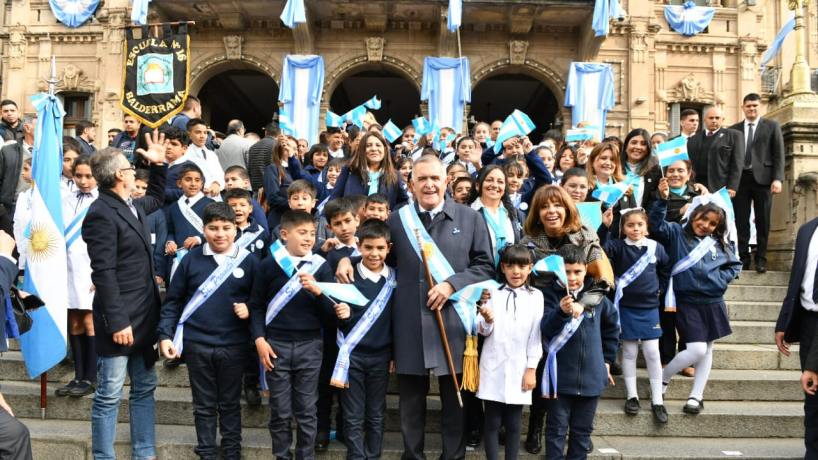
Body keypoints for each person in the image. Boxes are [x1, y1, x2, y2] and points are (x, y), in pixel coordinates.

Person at [337, 155, 494, 460]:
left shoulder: (470, 218)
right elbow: (377, 257)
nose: (429, 184)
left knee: (455, 402)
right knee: (410, 403)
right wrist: (346, 258)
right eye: (422, 179)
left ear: (446, 181)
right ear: (410, 184)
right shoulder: (396, 220)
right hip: (408, 322)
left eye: (435, 178)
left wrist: (452, 285)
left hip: (454, 322)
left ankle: (453, 456)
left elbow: (486, 266)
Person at [82, 134, 168, 460]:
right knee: (109, 393)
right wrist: (118, 321)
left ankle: (143, 453)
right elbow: (103, 272)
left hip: (145, 316)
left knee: (145, 388)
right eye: (131, 168)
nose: (135, 172)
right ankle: (104, 457)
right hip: (119, 318)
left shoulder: (132, 205)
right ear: (120, 175)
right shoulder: (101, 212)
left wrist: (158, 164)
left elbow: (158, 197)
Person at [158, 202, 260, 460]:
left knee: (229, 403)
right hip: (197, 343)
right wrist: (165, 335)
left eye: (226, 228)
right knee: (203, 405)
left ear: (236, 230)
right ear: (203, 229)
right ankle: (206, 452)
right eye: (213, 228)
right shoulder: (191, 259)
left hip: (234, 344)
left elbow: (261, 302)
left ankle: (232, 452)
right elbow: (173, 301)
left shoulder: (249, 262)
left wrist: (248, 308)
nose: (220, 234)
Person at [651, 177, 742, 415]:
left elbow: (735, 265)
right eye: (703, 219)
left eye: (712, 223)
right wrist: (662, 200)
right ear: (693, 215)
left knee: (707, 350)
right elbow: (655, 225)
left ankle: (696, 395)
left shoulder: (719, 243)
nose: (706, 225)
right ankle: (663, 377)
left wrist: (721, 280)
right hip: (687, 300)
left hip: (713, 301)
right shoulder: (675, 233)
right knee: (697, 349)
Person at [250, 210, 335, 460]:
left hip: (310, 346)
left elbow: (331, 315)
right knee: (280, 411)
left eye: (312, 233)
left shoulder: (321, 266)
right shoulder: (268, 265)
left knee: (308, 410)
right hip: (275, 346)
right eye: (302, 233)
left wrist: (319, 292)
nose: (309, 238)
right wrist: (259, 339)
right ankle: (281, 456)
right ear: (284, 234)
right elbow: (256, 305)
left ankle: (305, 456)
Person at [320, 218, 396, 460]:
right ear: (359, 247)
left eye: (380, 248)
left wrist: (394, 353)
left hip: (381, 356)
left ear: (389, 248)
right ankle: (355, 455)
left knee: (375, 412)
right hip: (351, 355)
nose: (374, 253)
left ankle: (373, 455)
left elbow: (396, 321)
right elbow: (332, 318)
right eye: (368, 247)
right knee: (351, 414)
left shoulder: (394, 279)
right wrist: (341, 316)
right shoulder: (346, 276)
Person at [541, 244, 619, 460]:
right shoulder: (549, 296)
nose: (573, 277)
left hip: (591, 378)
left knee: (582, 433)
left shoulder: (597, 297)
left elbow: (612, 329)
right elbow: (545, 329)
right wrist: (561, 312)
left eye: (578, 271)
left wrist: (607, 361)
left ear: (586, 269)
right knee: (556, 431)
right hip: (560, 378)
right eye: (567, 272)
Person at [602, 208, 671, 423]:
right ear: (623, 229)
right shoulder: (617, 246)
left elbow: (666, 269)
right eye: (630, 225)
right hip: (625, 307)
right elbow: (601, 252)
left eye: (639, 225)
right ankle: (632, 395)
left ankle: (658, 399)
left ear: (647, 228)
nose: (635, 229)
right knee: (629, 352)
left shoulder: (656, 248)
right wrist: (605, 228)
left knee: (652, 351)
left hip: (649, 307)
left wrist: (659, 288)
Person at [476, 244, 543, 460]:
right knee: (492, 421)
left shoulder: (536, 296)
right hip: (493, 364)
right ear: (503, 268)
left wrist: (531, 368)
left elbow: (535, 335)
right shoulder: (491, 292)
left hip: (520, 367)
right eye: (511, 266)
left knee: (514, 423)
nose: (516, 271)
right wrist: (486, 320)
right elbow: (483, 330)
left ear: (530, 268)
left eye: (522, 266)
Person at [55, 155, 99, 398]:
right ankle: (78, 374)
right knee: (73, 320)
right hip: (69, 267)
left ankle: (91, 376)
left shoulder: (102, 201)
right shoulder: (65, 199)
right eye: (78, 176)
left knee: (89, 320)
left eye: (89, 176)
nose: (83, 181)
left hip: (91, 268)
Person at [776, 216, 818, 457]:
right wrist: (784, 322)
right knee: (813, 398)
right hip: (809, 324)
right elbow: (797, 279)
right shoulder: (807, 230)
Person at [729, 93, 785, 273]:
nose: (752, 109)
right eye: (748, 106)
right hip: (740, 181)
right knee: (741, 222)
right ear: (743, 108)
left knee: (763, 220)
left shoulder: (772, 126)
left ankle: (761, 259)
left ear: (759, 107)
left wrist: (777, 178)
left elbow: (778, 154)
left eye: (755, 106)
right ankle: (743, 258)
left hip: (764, 180)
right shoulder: (734, 129)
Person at [331, 132, 408, 209]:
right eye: (368, 145)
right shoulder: (349, 170)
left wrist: (390, 215)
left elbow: (403, 202)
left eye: (378, 145)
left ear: (385, 149)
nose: (374, 149)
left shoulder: (395, 175)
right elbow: (334, 199)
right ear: (362, 150)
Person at [165, 163, 215, 281]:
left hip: (204, 256)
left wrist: (198, 239)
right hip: (179, 258)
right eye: (188, 179)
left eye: (197, 180)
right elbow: (171, 230)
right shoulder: (174, 207)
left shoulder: (211, 204)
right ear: (179, 183)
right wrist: (170, 242)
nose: (193, 184)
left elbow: (216, 230)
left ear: (202, 184)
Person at [686, 106, 744, 197]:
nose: (714, 120)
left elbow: (737, 163)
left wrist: (732, 186)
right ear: (704, 120)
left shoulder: (734, 136)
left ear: (722, 120)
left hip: (722, 187)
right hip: (698, 188)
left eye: (717, 118)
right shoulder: (693, 139)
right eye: (711, 118)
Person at [0, 115, 34, 234]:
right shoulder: (7, 151)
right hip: (11, 209)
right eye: (41, 126)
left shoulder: (50, 153)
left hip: (39, 209)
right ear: (27, 127)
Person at [186, 118, 225, 198]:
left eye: (205, 133)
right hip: (196, 197)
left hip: (215, 196)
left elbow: (220, 174)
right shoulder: (185, 154)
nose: (202, 136)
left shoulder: (211, 154)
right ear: (189, 134)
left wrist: (217, 184)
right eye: (198, 132)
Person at [223, 165, 269, 231]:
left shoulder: (252, 204)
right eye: (226, 180)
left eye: (234, 179)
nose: (229, 183)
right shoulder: (225, 202)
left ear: (246, 183)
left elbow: (263, 230)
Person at [247, 122, 280, 192]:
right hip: (272, 189)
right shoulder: (277, 146)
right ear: (279, 134)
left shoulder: (253, 147)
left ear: (265, 132)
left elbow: (249, 169)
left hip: (256, 189)